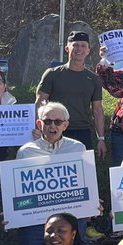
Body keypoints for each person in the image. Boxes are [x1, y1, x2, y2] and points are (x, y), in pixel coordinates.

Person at [14, 102, 90, 245]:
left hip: (70, 217)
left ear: (65, 125)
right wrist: (13, 211)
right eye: (47, 121)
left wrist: (92, 203)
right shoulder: (25, 152)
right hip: (35, 220)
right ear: (39, 123)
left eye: (58, 122)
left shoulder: (78, 148)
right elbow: (18, 189)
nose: (52, 126)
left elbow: (86, 182)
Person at [36, 30, 106, 159]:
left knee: (83, 174)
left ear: (88, 51)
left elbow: (97, 110)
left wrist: (101, 138)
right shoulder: (52, 74)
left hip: (82, 131)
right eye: (75, 45)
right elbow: (40, 103)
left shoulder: (94, 79)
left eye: (83, 46)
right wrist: (39, 128)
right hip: (54, 130)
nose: (79, 49)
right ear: (67, 48)